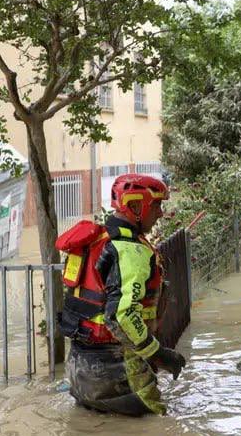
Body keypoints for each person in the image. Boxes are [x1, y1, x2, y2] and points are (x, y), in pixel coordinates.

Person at [57, 173, 186, 416]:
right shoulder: (130, 251)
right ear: (136, 205)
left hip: (78, 371)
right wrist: (159, 354)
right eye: (156, 205)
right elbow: (121, 316)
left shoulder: (97, 241)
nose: (160, 213)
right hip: (116, 370)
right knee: (159, 429)